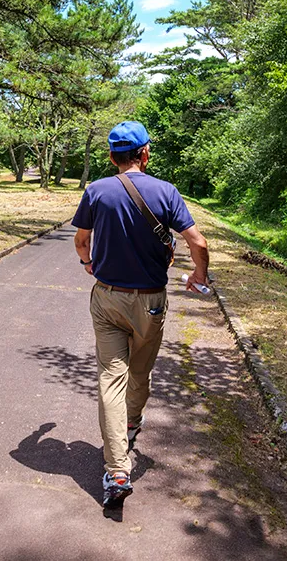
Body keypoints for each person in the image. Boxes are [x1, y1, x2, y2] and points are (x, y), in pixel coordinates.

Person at [71, 120, 210, 510]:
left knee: (109, 378)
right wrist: (199, 274)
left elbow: (82, 240)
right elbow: (197, 241)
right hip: (151, 302)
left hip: (108, 298)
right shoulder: (165, 191)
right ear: (144, 153)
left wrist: (88, 262)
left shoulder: (96, 191)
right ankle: (130, 425)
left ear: (113, 156)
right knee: (140, 373)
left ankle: (117, 469)